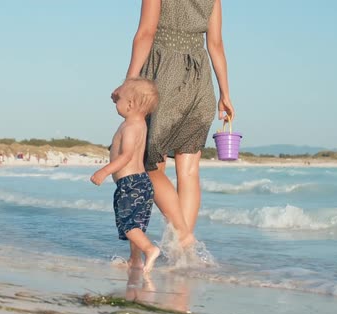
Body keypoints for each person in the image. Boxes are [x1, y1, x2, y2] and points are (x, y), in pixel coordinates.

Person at [116, 0, 235, 248]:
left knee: (151, 165)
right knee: (190, 170)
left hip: (164, 76)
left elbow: (146, 33)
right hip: (200, 80)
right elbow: (216, 44)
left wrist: (130, 81)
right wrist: (225, 93)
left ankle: (182, 235)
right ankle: (183, 250)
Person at [91, 77, 161, 273]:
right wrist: (120, 93)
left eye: (119, 99)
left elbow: (126, 156)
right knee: (137, 224)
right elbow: (123, 97)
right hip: (142, 183)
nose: (116, 102)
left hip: (130, 184)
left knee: (128, 223)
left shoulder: (129, 127)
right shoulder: (139, 123)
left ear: (130, 104)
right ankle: (135, 260)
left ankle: (150, 249)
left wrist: (104, 171)